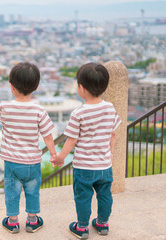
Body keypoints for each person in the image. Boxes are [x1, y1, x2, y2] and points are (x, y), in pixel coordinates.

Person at [0, 62, 57, 234]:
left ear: (11, 86)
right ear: (35, 86)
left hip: (12, 162)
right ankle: (32, 221)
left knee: (12, 191)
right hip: (32, 162)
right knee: (32, 191)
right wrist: (53, 154)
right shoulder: (39, 110)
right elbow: (47, 134)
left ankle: (13, 222)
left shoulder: (5, 108)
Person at [51, 63, 121, 239]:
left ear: (81, 88)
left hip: (84, 167)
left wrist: (60, 158)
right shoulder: (110, 108)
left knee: (83, 197)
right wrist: (110, 152)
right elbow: (113, 133)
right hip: (105, 164)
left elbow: (71, 140)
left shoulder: (78, 113)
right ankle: (103, 223)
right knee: (105, 195)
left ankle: (82, 227)